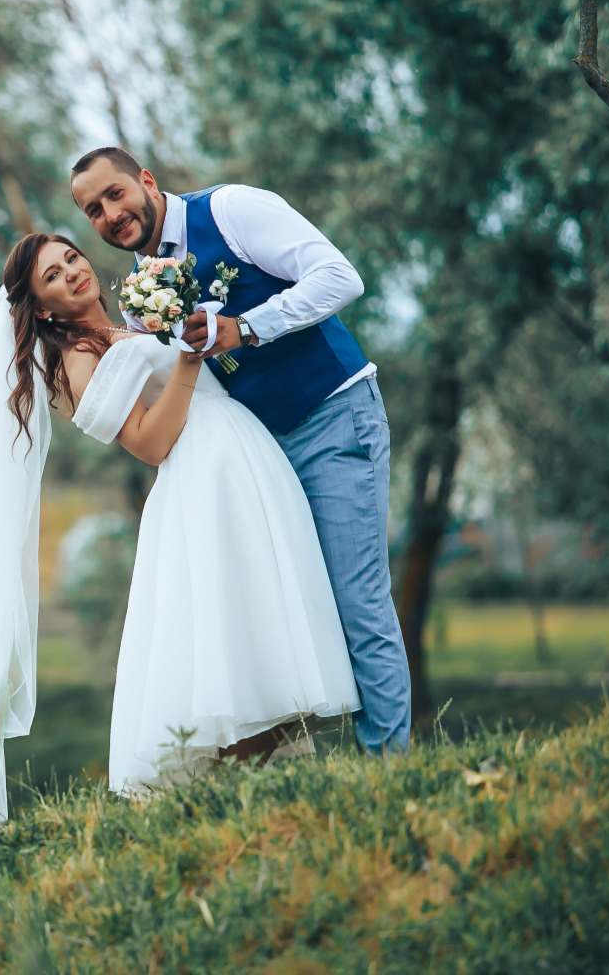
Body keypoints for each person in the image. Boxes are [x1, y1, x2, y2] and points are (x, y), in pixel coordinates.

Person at [0, 234, 360, 826]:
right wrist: (186, 357)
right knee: (235, 659)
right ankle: (229, 815)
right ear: (45, 308)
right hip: (200, 484)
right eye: (52, 276)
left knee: (260, 644)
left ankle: (260, 813)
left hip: (242, 468)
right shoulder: (77, 361)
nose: (72, 272)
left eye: (72, 258)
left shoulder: (132, 322)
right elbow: (152, 442)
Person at [69, 147, 412, 756]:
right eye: (93, 210)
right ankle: (310, 770)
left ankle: (388, 769)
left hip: (331, 417)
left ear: (145, 181)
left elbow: (340, 278)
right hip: (260, 459)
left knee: (358, 603)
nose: (110, 214)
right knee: (280, 614)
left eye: (115, 194)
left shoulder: (231, 210)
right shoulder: (141, 297)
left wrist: (247, 326)